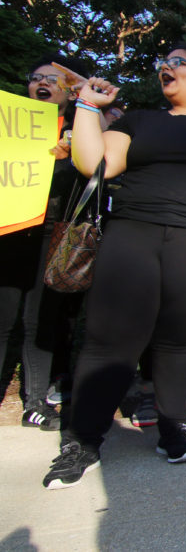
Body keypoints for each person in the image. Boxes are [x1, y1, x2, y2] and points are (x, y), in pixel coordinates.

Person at [44, 45, 186, 489]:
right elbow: (93, 163)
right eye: (161, 63)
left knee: (182, 340)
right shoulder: (140, 121)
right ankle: (83, 442)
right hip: (132, 233)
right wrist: (88, 106)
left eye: (178, 61)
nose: (165, 67)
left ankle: (173, 428)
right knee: (109, 340)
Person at [0, 55, 90, 432]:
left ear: (68, 92)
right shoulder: (7, 125)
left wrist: (70, 157)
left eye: (52, 80)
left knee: (38, 321)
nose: (42, 84)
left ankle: (35, 401)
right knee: (3, 319)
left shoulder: (79, 130)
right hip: (9, 231)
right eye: (35, 77)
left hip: (51, 234)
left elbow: (94, 171)